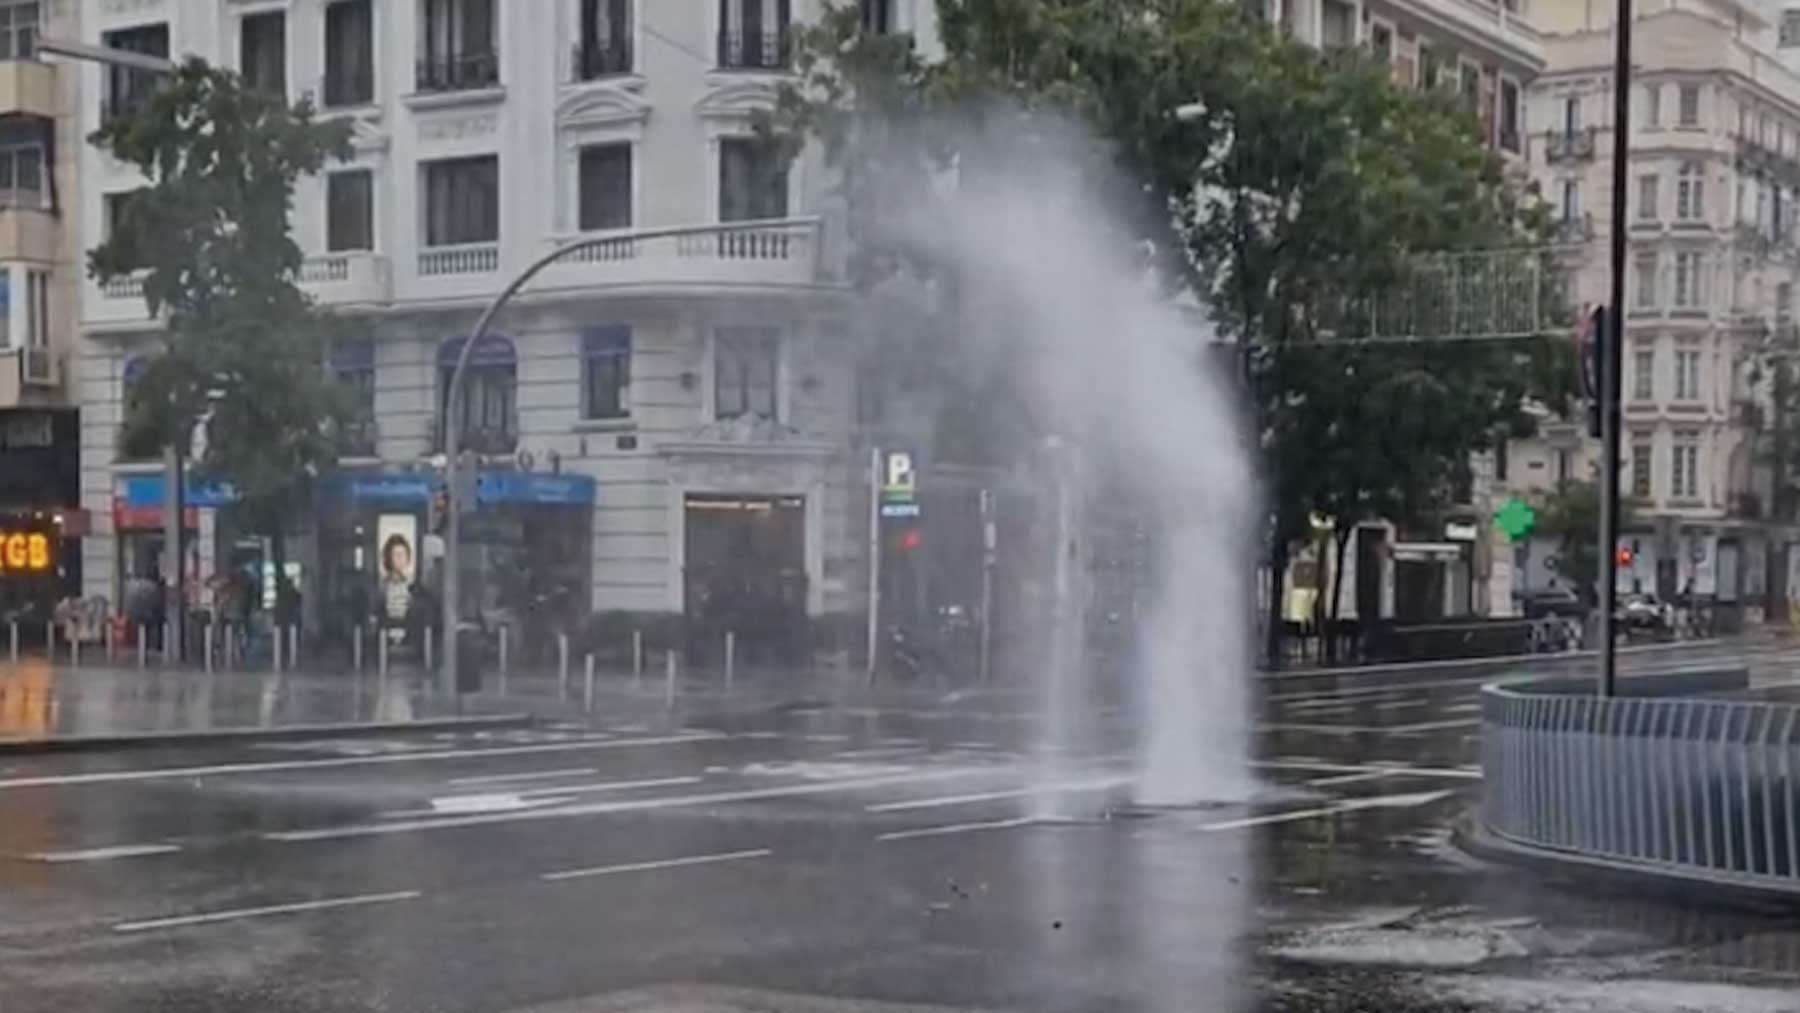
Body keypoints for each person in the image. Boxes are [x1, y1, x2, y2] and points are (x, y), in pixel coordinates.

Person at [380, 533, 414, 625]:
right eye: (396, 554)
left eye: (403, 554)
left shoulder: (414, 587)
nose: (400, 558)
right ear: (388, 557)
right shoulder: (381, 588)